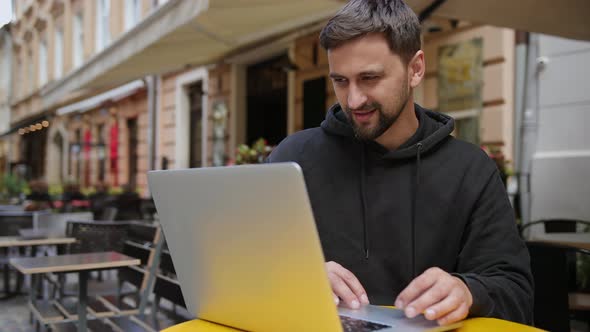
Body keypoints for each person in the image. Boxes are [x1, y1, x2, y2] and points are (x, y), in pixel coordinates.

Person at [267, 0, 533, 326]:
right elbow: (245, 267)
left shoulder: (471, 170)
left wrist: (468, 291)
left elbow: (516, 292)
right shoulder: (293, 158)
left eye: (370, 78)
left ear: (416, 69)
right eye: (340, 81)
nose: (353, 100)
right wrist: (297, 277)